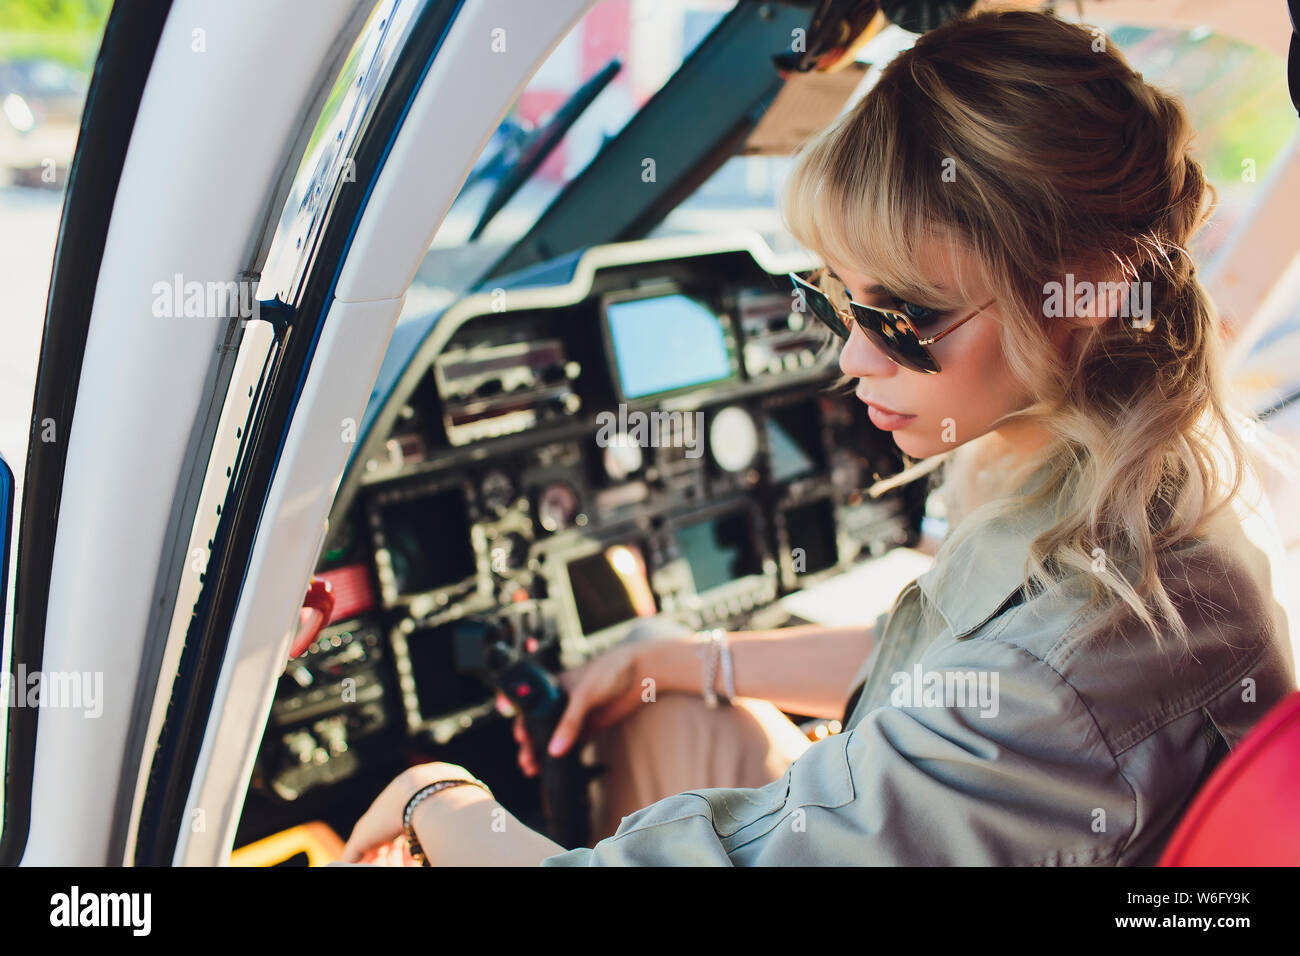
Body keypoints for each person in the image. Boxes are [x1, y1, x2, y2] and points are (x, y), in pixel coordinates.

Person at [341, 8, 1297, 866]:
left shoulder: (1067, 665)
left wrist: (436, 797)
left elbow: (1007, 686)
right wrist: (675, 656)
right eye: (835, 297)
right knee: (668, 707)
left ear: (1082, 291)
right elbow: (934, 669)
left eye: (903, 316)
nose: (849, 359)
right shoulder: (1129, 471)